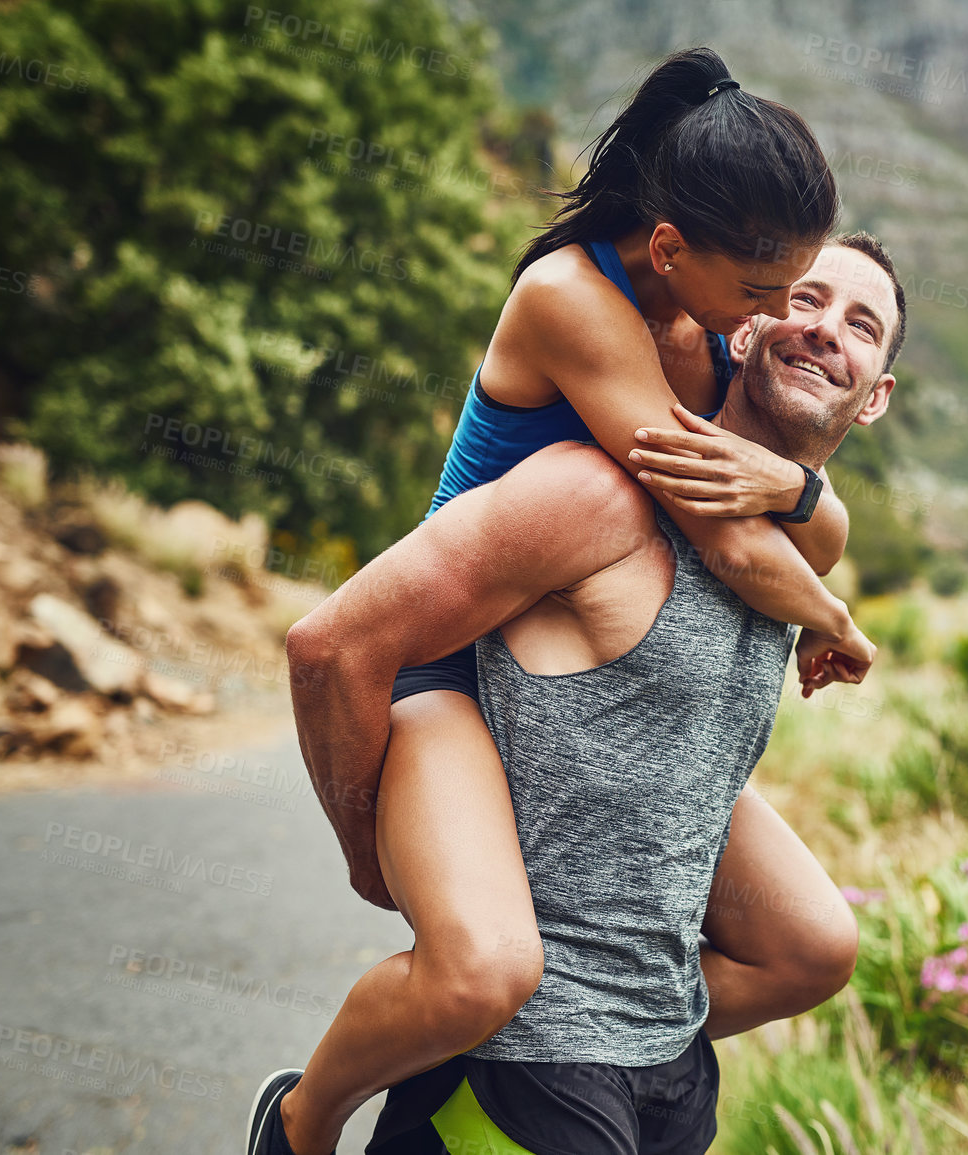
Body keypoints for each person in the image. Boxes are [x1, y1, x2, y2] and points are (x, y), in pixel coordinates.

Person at [250, 49, 878, 1155]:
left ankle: (596, 1037)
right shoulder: (574, 301)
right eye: (765, 293)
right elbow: (728, 536)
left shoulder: (691, 324)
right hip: (452, 665)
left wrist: (799, 486)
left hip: (563, 659)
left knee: (811, 944)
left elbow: (790, 516)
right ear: (677, 250)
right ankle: (301, 1122)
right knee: (484, 966)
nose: (775, 320)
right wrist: (364, 840)